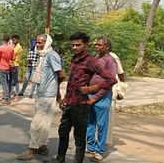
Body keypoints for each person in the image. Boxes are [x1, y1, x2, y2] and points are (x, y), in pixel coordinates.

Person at [44, 32, 117, 163]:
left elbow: (111, 79)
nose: (75, 47)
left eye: (78, 45)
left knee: (79, 136)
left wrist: (91, 88)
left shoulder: (92, 61)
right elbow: (72, 82)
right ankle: (60, 159)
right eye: (73, 45)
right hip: (70, 103)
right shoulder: (74, 59)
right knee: (63, 131)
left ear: (85, 45)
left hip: (81, 104)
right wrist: (65, 98)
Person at [17, 34, 65, 161]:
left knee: (36, 123)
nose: (38, 45)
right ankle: (42, 145)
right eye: (37, 42)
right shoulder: (41, 55)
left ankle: (31, 149)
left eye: (40, 43)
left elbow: (61, 74)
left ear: (47, 42)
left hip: (48, 95)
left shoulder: (51, 55)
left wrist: (57, 92)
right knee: (44, 122)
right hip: (41, 92)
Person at [85, 36, 118, 162]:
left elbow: (109, 82)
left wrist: (96, 97)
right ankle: (91, 146)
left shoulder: (110, 61)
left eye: (99, 45)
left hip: (102, 97)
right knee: (90, 122)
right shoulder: (96, 58)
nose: (97, 47)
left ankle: (99, 151)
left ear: (107, 47)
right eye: (96, 45)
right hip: (90, 94)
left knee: (102, 124)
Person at [8, 35, 22, 101]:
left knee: (16, 81)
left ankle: (17, 95)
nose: (13, 41)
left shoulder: (18, 47)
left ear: (18, 40)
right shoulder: (15, 46)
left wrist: (10, 46)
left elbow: (11, 53)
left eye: (14, 40)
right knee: (10, 80)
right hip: (11, 64)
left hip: (15, 65)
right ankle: (11, 93)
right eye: (12, 40)